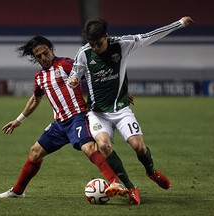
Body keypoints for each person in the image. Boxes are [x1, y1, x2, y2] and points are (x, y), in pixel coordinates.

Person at [68, 16, 194, 205]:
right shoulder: (84, 53)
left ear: (107, 37)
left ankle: (151, 172)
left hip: (121, 109)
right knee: (103, 145)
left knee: (139, 147)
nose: (95, 47)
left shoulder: (123, 44)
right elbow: (74, 75)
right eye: (91, 44)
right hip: (97, 112)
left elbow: (150, 36)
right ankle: (130, 186)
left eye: (98, 43)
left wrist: (180, 23)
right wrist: (73, 81)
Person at [0, 35, 128, 199]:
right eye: (39, 56)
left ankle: (114, 182)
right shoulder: (39, 77)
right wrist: (18, 120)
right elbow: (36, 98)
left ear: (52, 50)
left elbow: (97, 75)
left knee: (89, 148)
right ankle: (17, 192)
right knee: (35, 152)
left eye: (46, 52)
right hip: (60, 124)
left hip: (78, 117)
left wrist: (119, 92)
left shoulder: (66, 64)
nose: (44, 57)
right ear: (35, 58)